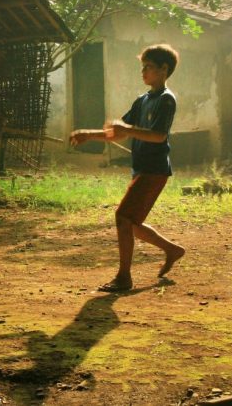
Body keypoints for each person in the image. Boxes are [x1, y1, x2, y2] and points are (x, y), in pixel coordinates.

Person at [70, 44, 186, 292]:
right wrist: (88, 134)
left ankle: (124, 277)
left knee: (123, 218)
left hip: (155, 169)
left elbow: (158, 136)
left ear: (164, 70)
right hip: (142, 168)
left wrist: (127, 130)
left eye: (149, 67)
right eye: (142, 67)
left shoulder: (167, 100)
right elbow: (117, 133)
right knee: (131, 223)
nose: (143, 72)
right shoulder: (142, 100)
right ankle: (172, 249)